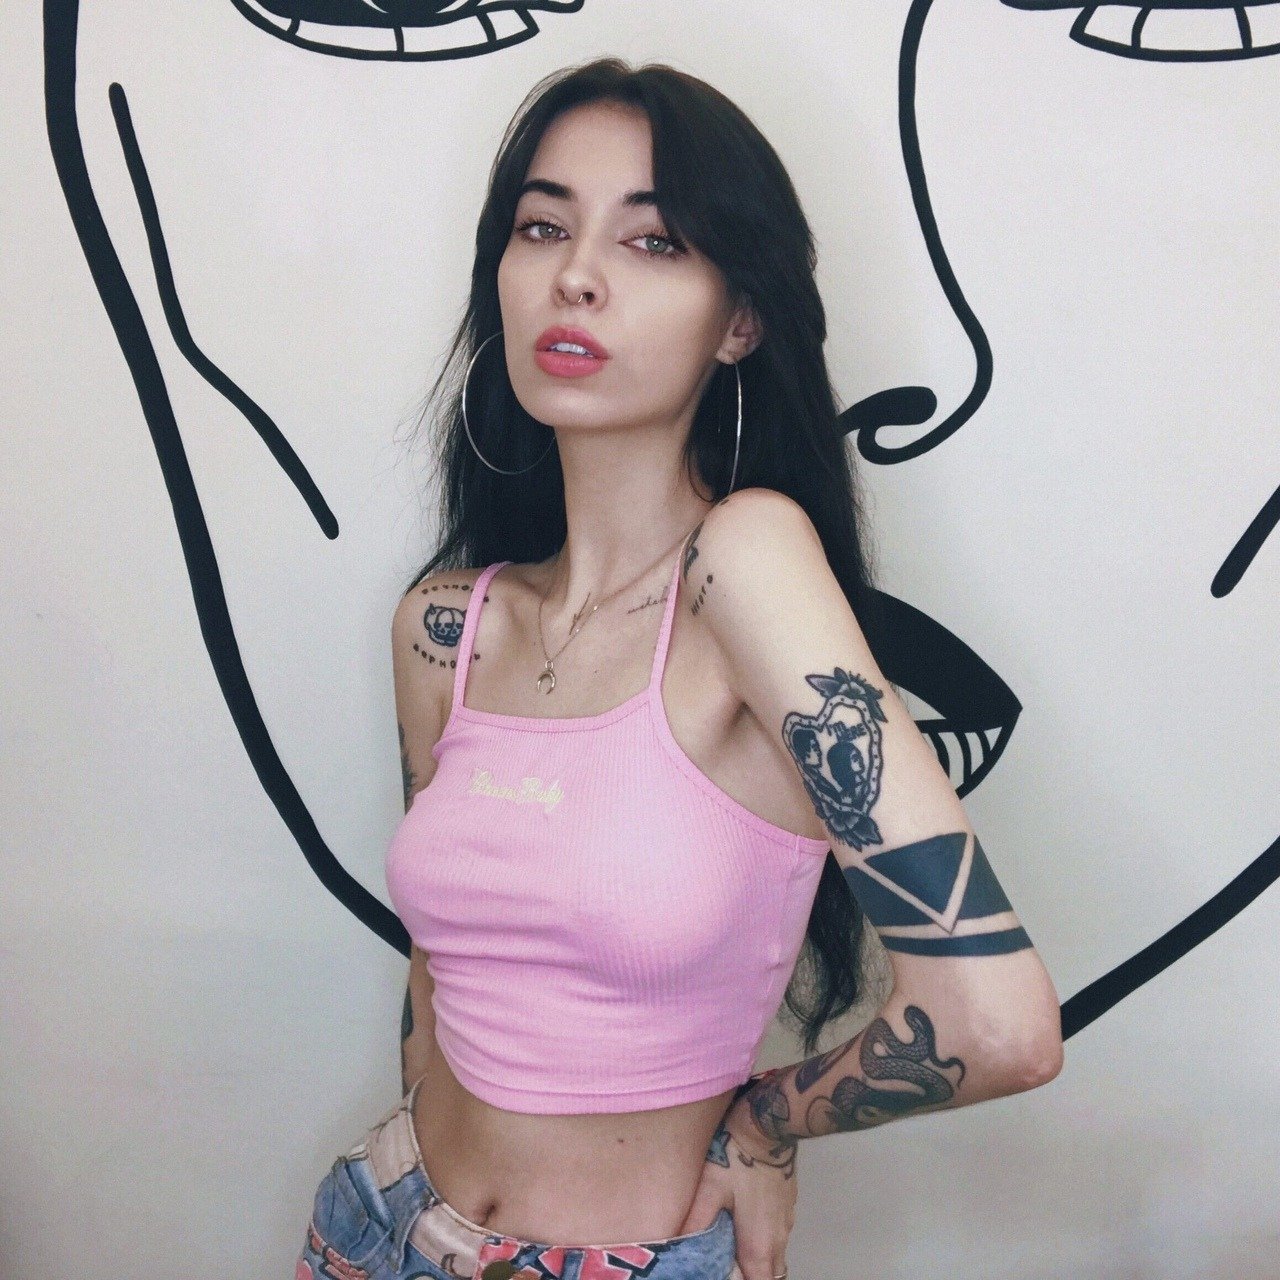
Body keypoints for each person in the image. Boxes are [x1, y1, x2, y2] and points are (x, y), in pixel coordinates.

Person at [297, 56, 1064, 1280]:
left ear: (739, 319)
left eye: (651, 242)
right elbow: (436, 971)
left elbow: (996, 1022)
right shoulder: (445, 625)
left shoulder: (745, 563)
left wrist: (765, 1123)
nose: (575, 274)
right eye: (541, 226)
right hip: (375, 1221)